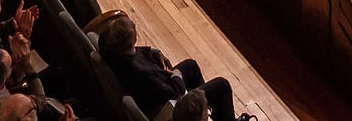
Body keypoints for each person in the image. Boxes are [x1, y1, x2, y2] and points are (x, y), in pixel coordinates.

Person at [97, 14, 246, 121]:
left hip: (155, 90)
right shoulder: (142, 73)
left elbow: (135, 53)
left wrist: (153, 52)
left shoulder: (111, 51)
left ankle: (205, 113)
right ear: (131, 43)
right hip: (167, 108)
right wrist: (175, 75)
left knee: (191, 65)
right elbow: (175, 93)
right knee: (222, 85)